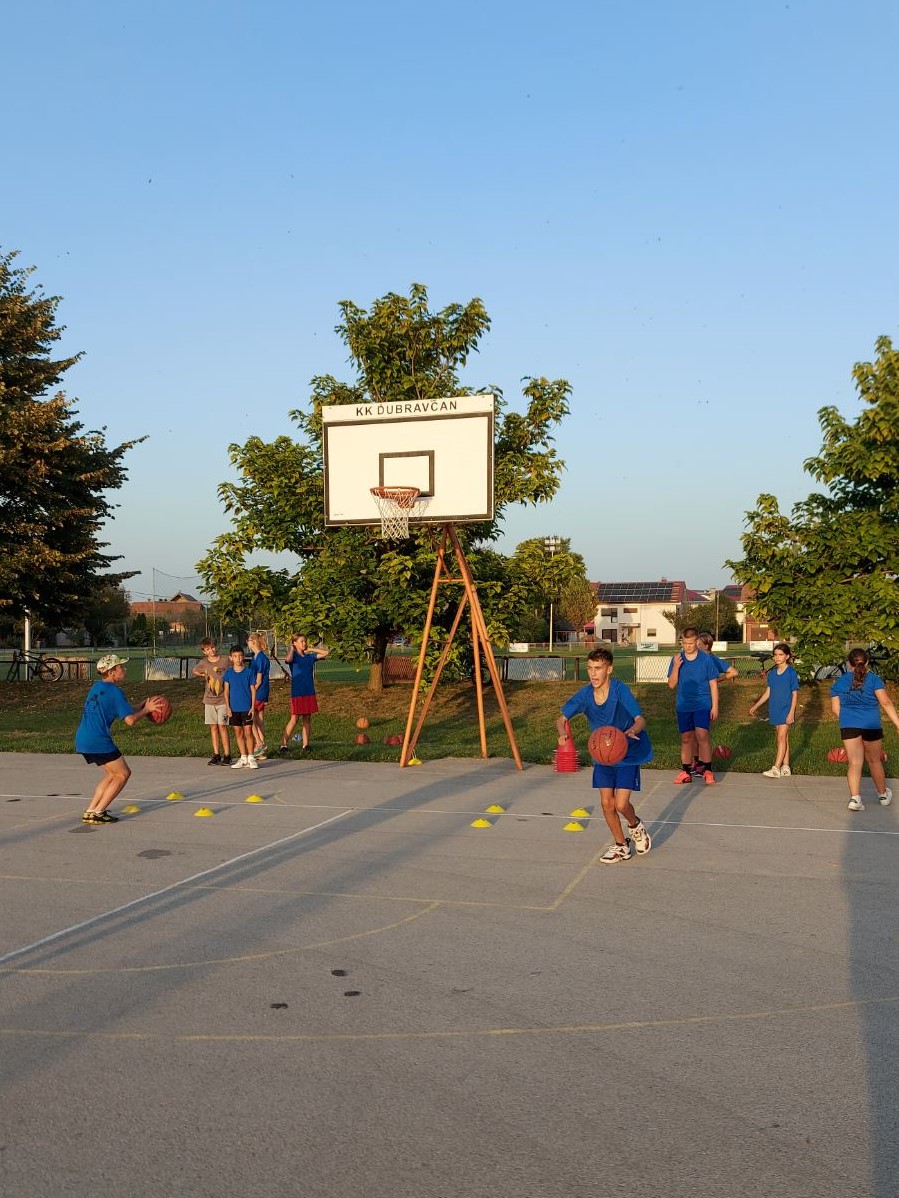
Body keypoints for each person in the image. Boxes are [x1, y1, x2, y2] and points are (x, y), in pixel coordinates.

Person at [557, 647, 654, 863]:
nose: (593, 673)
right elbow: (561, 718)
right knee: (606, 803)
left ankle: (635, 825)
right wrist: (563, 733)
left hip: (626, 751)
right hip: (602, 754)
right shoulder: (584, 695)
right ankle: (621, 846)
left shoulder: (620, 691)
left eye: (598, 668)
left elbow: (640, 719)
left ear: (609, 669)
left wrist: (633, 731)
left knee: (621, 805)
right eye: (590, 668)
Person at [74, 654, 166, 824]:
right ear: (111, 672)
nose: (124, 669)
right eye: (120, 667)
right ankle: (99, 812)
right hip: (98, 740)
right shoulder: (115, 691)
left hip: (83, 738)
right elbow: (130, 720)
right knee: (123, 773)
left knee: (111, 775)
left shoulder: (97, 687)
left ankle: (91, 810)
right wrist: (147, 711)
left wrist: (142, 706)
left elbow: (126, 709)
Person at [830, 647, 898, 811]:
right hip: (871, 724)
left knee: (854, 762)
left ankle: (855, 799)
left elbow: (835, 709)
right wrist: (897, 723)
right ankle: (882, 795)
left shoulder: (839, 682)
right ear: (867, 662)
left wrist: (848, 718)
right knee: (874, 760)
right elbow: (886, 702)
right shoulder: (874, 679)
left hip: (849, 725)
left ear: (848, 664)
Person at [667, 626, 720, 784]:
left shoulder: (706, 659)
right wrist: (676, 666)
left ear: (697, 641)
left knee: (702, 735)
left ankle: (708, 770)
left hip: (702, 704)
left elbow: (713, 684)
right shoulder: (677, 659)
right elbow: (671, 684)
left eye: (690, 643)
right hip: (684, 705)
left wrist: (715, 706)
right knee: (686, 738)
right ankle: (685, 771)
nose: (687, 646)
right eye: (684, 643)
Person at [749, 642, 799, 777]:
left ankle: (776, 768)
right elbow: (768, 692)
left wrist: (791, 713)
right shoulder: (772, 674)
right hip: (775, 709)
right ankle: (786, 766)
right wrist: (756, 705)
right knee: (783, 738)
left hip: (786, 709)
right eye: (775, 655)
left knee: (781, 738)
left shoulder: (791, 673)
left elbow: (795, 694)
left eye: (780, 655)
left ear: (787, 656)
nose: (777, 657)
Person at [279, 634, 329, 753]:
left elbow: (326, 653)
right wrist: (292, 648)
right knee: (294, 718)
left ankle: (306, 744)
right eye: (301, 641)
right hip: (298, 692)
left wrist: (310, 649)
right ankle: (283, 744)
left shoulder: (309, 657)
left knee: (307, 718)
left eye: (305, 641)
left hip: (309, 691)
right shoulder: (294, 657)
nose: (304, 643)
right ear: (295, 643)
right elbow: (288, 660)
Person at [191, 637, 232, 765]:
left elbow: (235, 667)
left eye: (212, 647)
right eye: (208, 649)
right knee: (213, 727)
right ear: (204, 651)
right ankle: (216, 754)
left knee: (223, 726)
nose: (211, 650)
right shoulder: (204, 663)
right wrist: (203, 675)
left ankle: (227, 754)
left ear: (216, 646)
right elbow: (194, 670)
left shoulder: (225, 660)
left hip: (223, 700)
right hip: (209, 700)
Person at [223, 645, 258, 769]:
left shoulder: (249, 672)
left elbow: (253, 690)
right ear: (231, 658)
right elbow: (226, 692)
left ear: (243, 657)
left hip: (246, 707)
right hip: (234, 708)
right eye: (235, 656)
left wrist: (252, 707)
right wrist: (228, 707)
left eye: (240, 656)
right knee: (238, 732)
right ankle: (243, 757)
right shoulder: (228, 674)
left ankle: (251, 757)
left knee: (248, 732)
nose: (238, 659)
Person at [247, 632, 271, 760]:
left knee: (250, 718)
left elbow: (259, 680)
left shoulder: (261, 658)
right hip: (261, 692)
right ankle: (260, 749)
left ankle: (259, 743)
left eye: (249, 640)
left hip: (259, 692)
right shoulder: (254, 656)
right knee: (259, 718)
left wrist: (251, 691)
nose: (247, 642)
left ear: (254, 642)